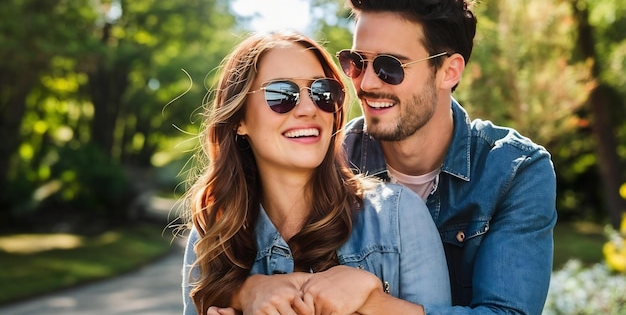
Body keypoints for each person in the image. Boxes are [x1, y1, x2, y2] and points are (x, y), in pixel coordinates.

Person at [181, 30, 451, 315]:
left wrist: (370, 300)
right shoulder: (213, 235)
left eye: (323, 92)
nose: (309, 109)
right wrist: (244, 292)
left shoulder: (398, 216)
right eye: (282, 94)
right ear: (239, 120)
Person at [337, 0, 558, 315]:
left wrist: (374, 304)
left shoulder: (513, 172)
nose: (366, 83)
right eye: (356, 62)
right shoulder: (332, 159)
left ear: (449, 71)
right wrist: (248, 290)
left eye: (389, 66)